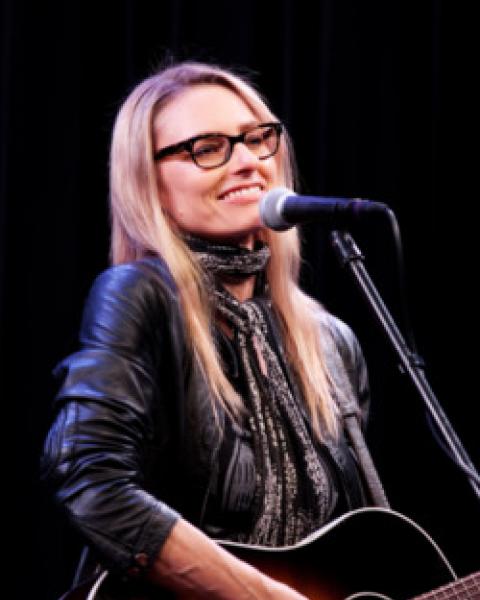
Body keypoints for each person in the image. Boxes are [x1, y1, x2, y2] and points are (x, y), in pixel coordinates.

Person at [42, 61, 375, 599]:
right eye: (208, 148)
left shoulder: (332, 343)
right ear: (149, 182)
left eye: (258, 139)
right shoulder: (139, 295)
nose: (248, 162)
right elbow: (89, 478)